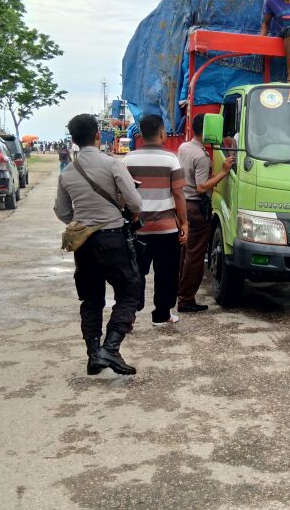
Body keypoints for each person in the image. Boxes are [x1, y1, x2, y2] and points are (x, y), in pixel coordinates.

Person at [54, 114, 142, 375]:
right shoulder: (112, 164)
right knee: (129, 291)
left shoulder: (68, 172)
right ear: (97, 135)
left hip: (83, 242)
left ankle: (94, 355)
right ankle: (111, 349)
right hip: (113, 238)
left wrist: (83, 219)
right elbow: (136, 204)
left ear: (73, 140)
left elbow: (61, 211)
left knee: (91, 299)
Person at [124, 114, 188, 326]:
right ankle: (162, 315)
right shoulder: (170, 159)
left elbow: (122, 196)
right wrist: (184, 224)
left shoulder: (128, 160)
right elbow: (178, 194)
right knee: (166, 273)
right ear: (162, 133)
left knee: (135, 273)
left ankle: (131, 315)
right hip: (166, 229)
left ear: (141, 134)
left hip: (137, 229)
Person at [177, 114, 235, 312]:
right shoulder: (201, 156)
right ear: (208, 129)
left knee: (185, 252)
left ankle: (180, 291)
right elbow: (201, 187)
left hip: (183, 204)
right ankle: (185, 299)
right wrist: (223, 172)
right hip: (196, 206)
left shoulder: (185, 147)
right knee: (196, 255)